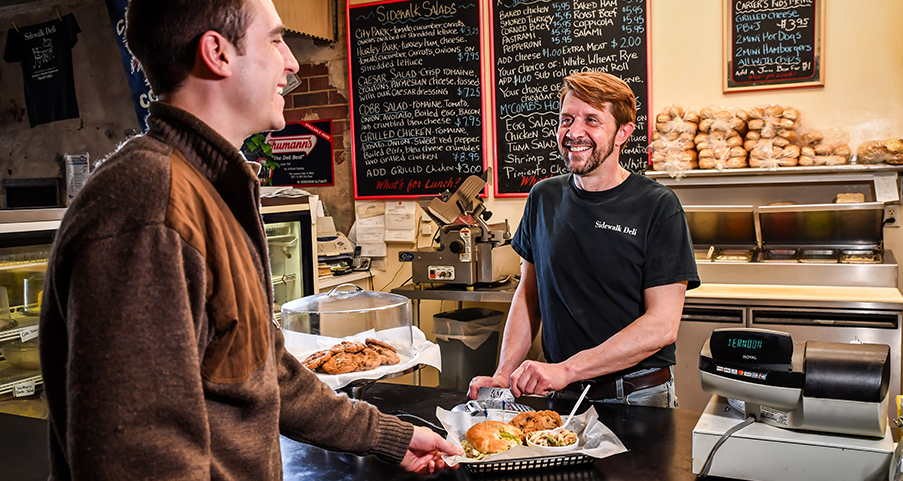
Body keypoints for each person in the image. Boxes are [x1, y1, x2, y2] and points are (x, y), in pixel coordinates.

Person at [38, 0, 460, 478]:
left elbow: (268, 373)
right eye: (276, 39)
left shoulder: (210, 191)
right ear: (217, 53)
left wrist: (390, 437)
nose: (293, 62)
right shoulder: (150, 206)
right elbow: (139, 458)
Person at [468, 72, 700, 407]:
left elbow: (662, 326)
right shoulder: (543, 197)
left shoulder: (657, 205)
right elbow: (528, 296)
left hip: (637, 397)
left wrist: (566, 369)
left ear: (623, 133)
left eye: (592, 120)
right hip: (563, 396)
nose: (574, 132)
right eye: (567, 119)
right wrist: (504, 373)